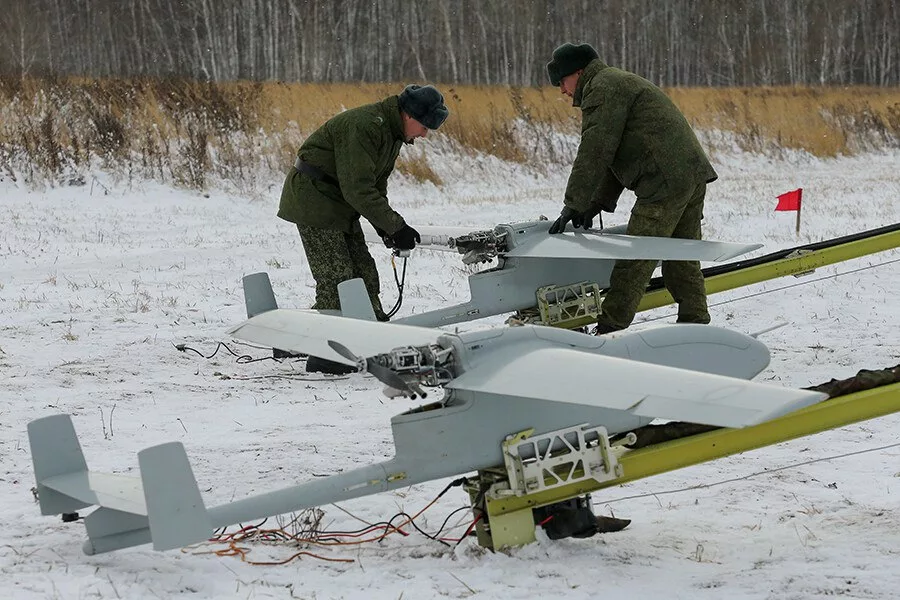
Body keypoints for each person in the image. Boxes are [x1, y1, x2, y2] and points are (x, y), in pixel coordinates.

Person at [545, 42, 718, 335]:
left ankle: (609, 329)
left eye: (562, 81)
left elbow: (595, 150)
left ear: (579, 72)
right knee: (680, 256)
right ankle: (696, 324)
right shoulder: (614, 82)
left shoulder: (602, 88)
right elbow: (615, 152)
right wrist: (596, 202)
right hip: (688, 174)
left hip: (663, 182)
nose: (562, 90)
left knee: (636, 258)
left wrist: (574, 202)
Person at [277, 84, 449, 372]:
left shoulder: (392, 134)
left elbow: (375, 186)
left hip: (339, 203)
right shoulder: (366, 126)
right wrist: (395, 226)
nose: (424, 134)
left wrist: (387, 227)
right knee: (337, 278)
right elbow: (357, 189)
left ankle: (369, 336)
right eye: (424, 126)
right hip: (314, 199)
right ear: (408, 115)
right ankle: (327, 354)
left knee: (364, 273)